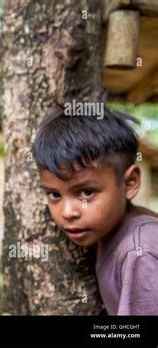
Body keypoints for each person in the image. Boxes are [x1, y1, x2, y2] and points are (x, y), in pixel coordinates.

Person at [33, 106, 158, 315]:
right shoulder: (116, 231)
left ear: (129, 183)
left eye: (87, 192)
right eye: (54, 194)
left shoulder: (139, 252)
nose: (68, 212)